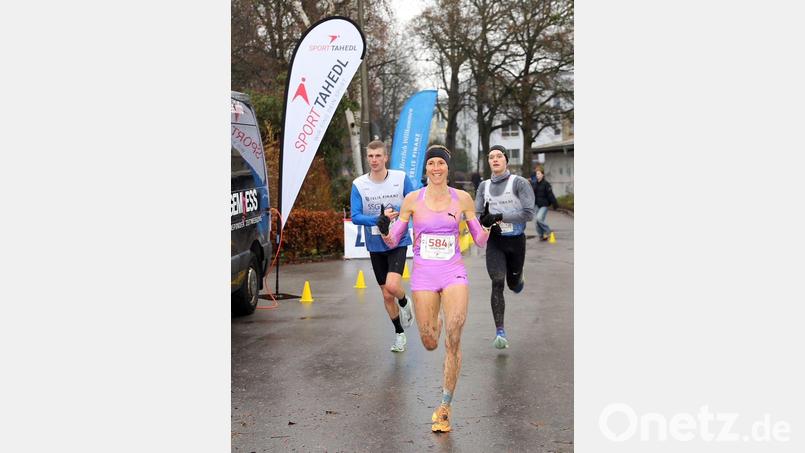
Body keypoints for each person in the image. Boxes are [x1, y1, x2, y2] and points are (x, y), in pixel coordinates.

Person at [379, 145, 490, 433]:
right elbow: (393, 241)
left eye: (441, 163)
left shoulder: (463, 199)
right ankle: (432, 320)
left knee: (454, 333)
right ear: (426, 169)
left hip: (453, 272)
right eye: (432, 164)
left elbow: (479, 240)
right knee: (430, 341)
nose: (437, 168)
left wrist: (487, 226)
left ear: (447, 168)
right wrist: (382, 229)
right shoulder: (412, 200)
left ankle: (445, 406)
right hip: (425, 276)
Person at [350, 140, 415, 353]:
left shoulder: (400, 178)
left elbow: (414, 201)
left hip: (398, 240)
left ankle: (405, 303)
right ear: (367, 158)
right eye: (370, 156)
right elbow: (356, 216)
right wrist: (378, 220)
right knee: (386, 295)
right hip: (375, 244)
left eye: (378, 156)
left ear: (385, 157)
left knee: (393, 286)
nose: (374, 160)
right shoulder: (359, 184)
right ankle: (399, 334)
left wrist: (397, 208)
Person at [474, 145, 535, 349]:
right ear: (489, 162)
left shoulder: (518, 183)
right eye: (491, 157)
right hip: (496, 242)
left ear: (506, 160)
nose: (495, 159)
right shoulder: (483, 186)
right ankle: (500, 332)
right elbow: (477, 213)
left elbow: (528, 213)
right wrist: (483, 220)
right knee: (497, 281)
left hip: (516, 241)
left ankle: (518, 277)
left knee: (513, 284)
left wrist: (500, 216)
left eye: (499, 156)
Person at [531, 164, 559, 241]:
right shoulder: (535, 184)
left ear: (542, 174)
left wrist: (555, 204)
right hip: (536, 205)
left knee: (539, 219)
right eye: (536, 174)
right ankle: (541, 235)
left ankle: (549, 232)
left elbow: (550, 195)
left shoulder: (546, 184)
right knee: (537, 222)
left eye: (539, 173)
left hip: (544, 205)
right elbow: (532, 195)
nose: (537, 175)